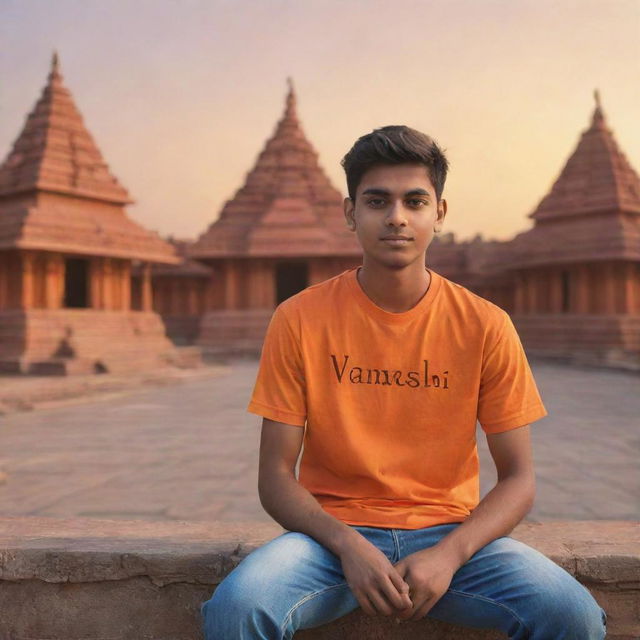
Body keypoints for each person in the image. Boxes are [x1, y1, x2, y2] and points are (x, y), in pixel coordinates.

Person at [200, 126, 607, 639]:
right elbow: (276, 477)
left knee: (572, 614)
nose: (396, 217)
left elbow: (519, 478)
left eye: (415, 201)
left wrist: (450, 554)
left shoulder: (485, 324)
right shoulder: (299, 319)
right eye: (377, 201)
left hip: (453, 537)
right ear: (351, 213)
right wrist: (348, 546)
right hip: (328, 541)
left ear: (439, 212)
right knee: (239, 607)